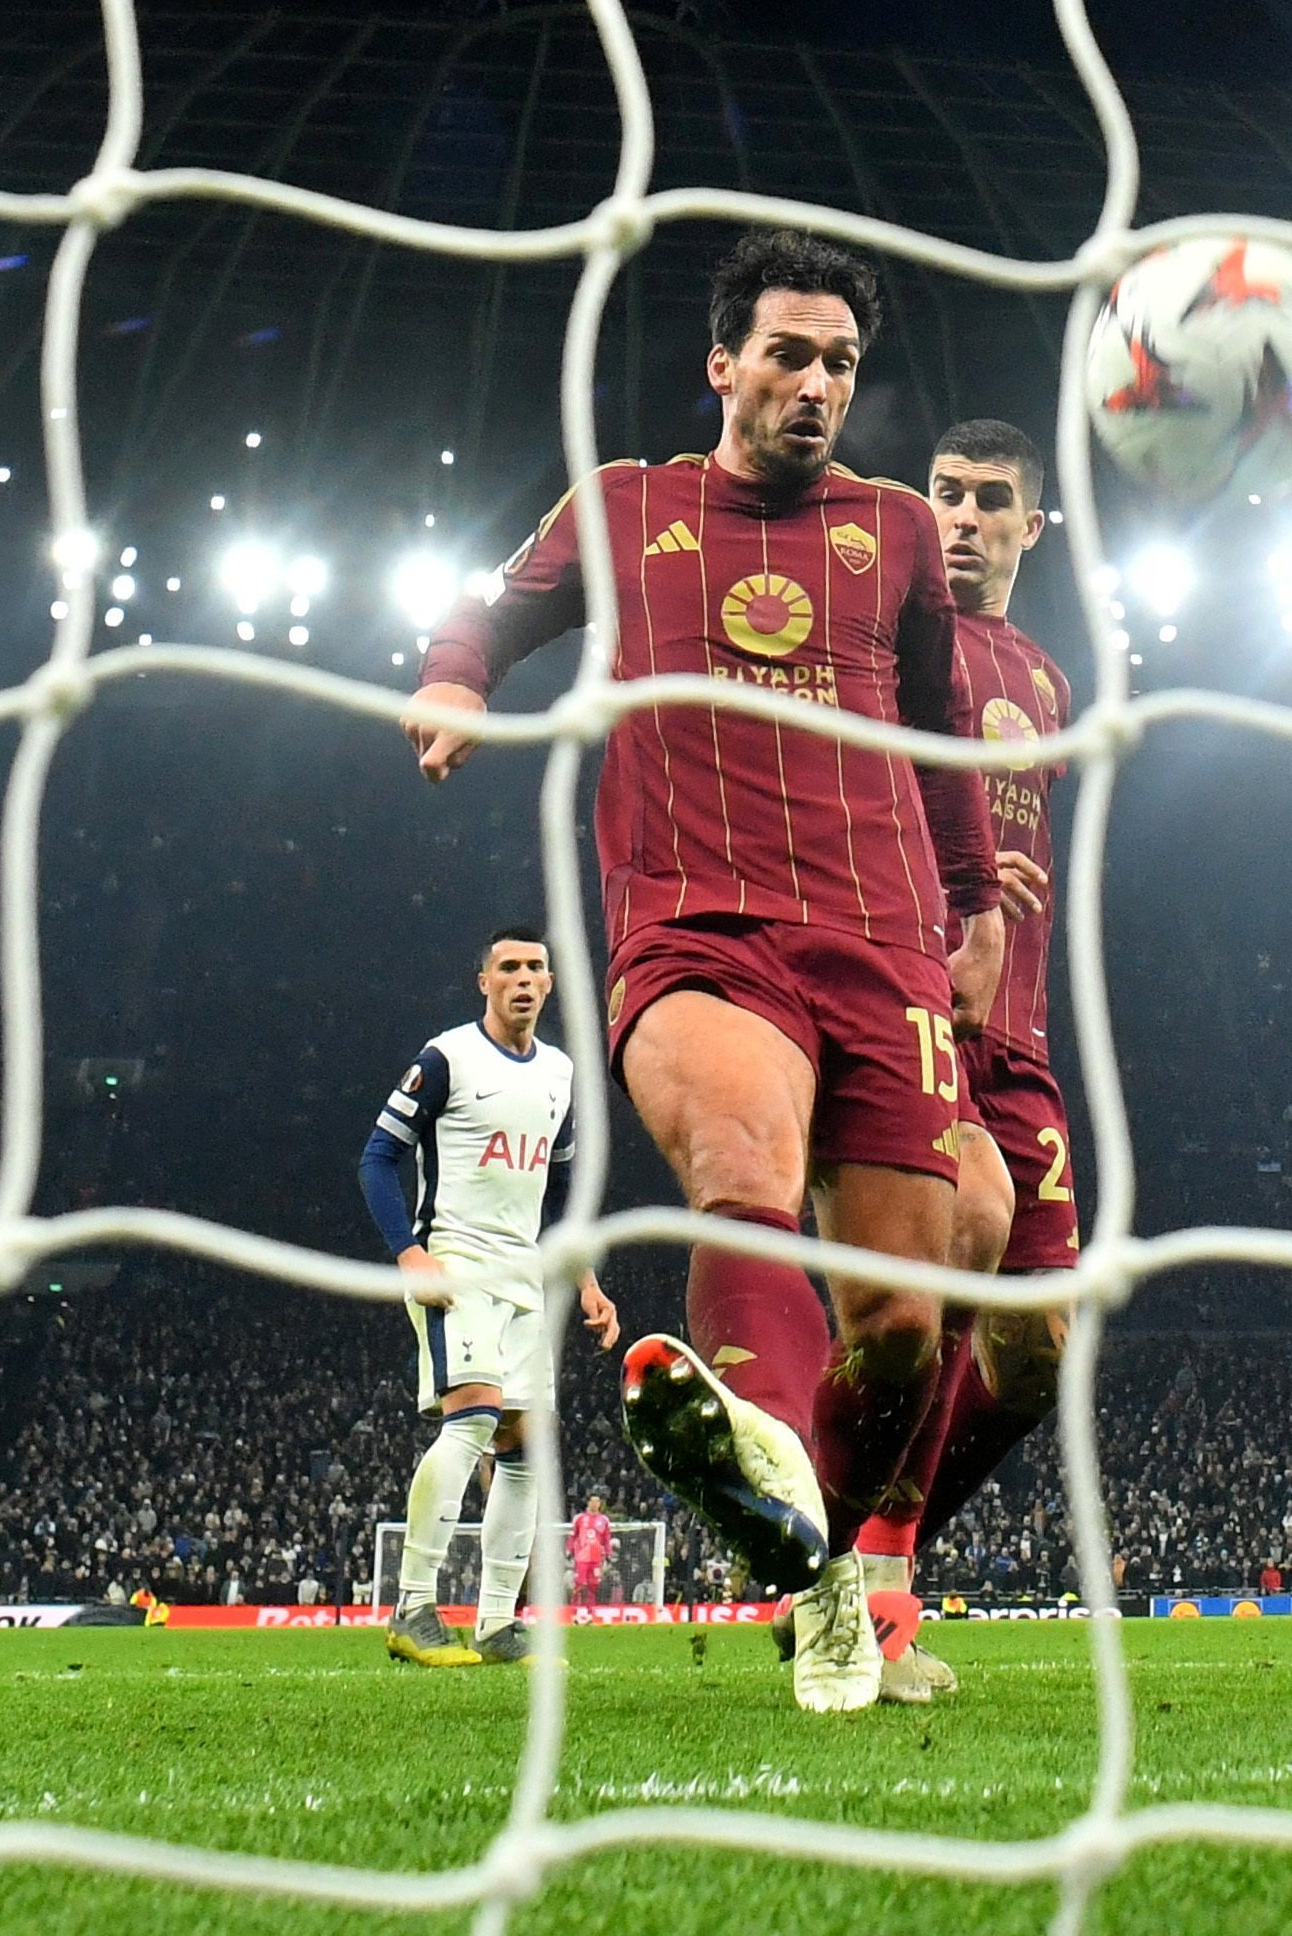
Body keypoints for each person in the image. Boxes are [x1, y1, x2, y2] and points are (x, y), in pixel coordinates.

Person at [401, 228, 1004, 1712]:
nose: (816, 384)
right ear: (721, 363)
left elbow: (936, 729)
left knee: (904, 1321)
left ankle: (823, 1575)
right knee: (743, 1150)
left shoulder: (897, 535)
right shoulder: (626, 504)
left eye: (841, 363)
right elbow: (490, 605)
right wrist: (452, 674)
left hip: (884, 943)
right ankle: (771, 1494)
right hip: (700, 926)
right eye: (788, 354)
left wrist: (978, 902)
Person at [835, 417, 1078, 1705]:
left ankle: (874, 1545)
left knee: (1038, 1345)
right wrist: (943, 884)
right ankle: (871, 1589)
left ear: (1032, 526)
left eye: (992, 500)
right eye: (946, 494)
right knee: (939, 1277)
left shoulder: (1044, 679)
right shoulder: (877, 633)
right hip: (913, 1012)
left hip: (1019, 1035)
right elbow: (831, 791)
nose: (965, 516)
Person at [359, 927, 620, 1669]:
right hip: (458, 1261)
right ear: (484, 981)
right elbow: (378, 1157)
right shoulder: (447, 1058)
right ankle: (413, 1607)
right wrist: (410, 1254)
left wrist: (586, 1278)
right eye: (510, 967)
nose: (525, 978)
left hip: (527, 1274)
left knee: (526, 1445)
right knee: (472, 1418)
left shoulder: (562, 1073)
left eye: (537, 967)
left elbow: (562, 1188)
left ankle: (499, 1622)